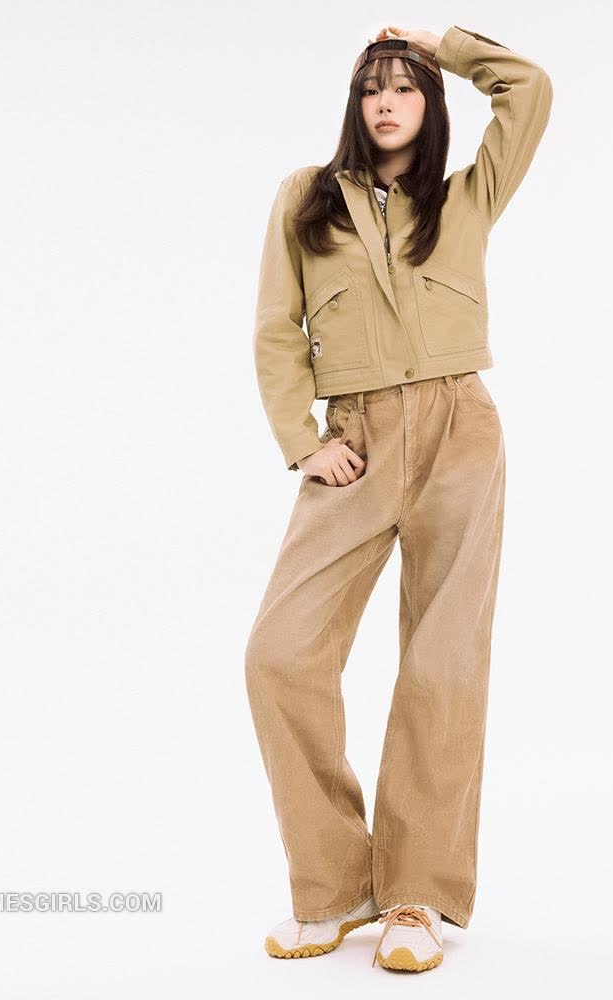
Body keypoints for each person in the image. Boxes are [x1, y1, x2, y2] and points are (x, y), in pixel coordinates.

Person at [245, 23, 552, 972]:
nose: (387, 101)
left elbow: (530, 89)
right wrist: (305, 443)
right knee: (280, 655)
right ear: (354, 103)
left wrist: (438, 43)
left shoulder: (466, 197)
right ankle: (336, 886)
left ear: (430, 103)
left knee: (443, 664)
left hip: (462, 433)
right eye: (373, 87)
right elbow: (276, 329)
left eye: (406, 87)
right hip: (356, 442)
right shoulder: (305, 198)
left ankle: (417, 896)